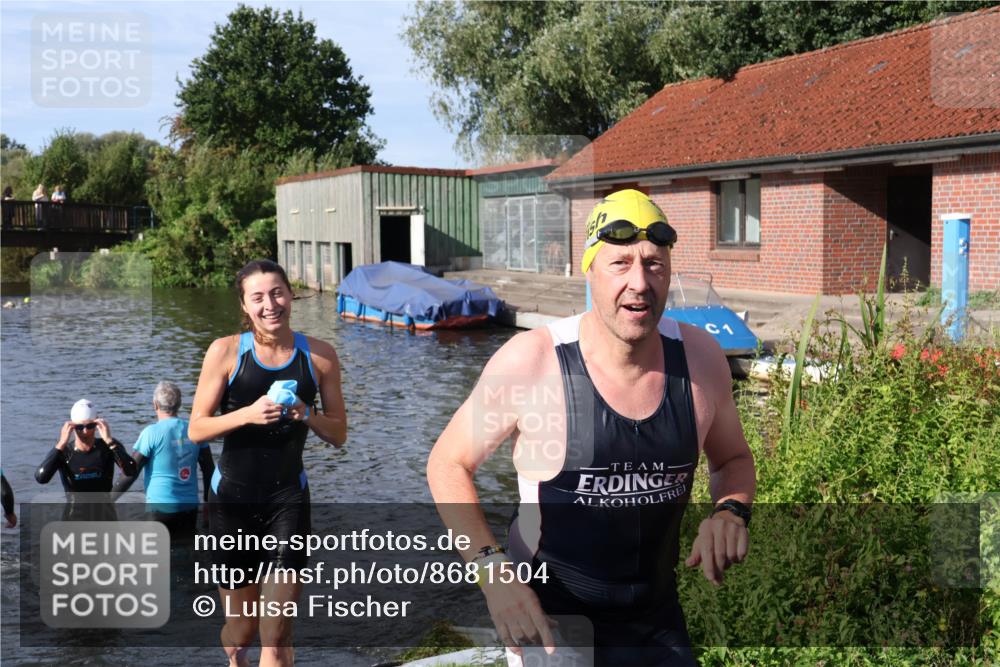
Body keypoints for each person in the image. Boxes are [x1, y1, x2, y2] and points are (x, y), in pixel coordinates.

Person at [427, 189, 757, 666]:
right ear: (590, 270)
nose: (640, 282)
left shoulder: (701, 360)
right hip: (554, 620)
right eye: (620, 264)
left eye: (654, 264)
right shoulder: (532, 363)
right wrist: (493, 573)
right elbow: (448, 463)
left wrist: (730, 512)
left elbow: (732, 460)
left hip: (656, 618)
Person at [189, 259, 347, 667]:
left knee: (275, 635)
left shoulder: (321, 356)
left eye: (277, 292)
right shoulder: (225, 352)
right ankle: (236, 656)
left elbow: (339, 434)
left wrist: (305, 415)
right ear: (244, 305)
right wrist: (246, 414)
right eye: (257, 297)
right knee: (242, 632)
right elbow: (196, 429)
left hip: (287, 500)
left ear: (290, 294)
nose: (269, 304)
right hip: (232, 502)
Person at [113, 381, 215, 537]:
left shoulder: (151, 433)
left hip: (160, 510)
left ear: (155, 405)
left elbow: (131, 472)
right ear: (179, 404)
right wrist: (209, 504)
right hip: (189, 508)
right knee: (186, 555)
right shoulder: (195, 430)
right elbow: (209, 470)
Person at [36, 398, 138, 520]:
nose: (85, 431)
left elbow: (131, 471)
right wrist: (61, 444)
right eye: (79, 427)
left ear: (97, 424)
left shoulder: (108, 447)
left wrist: (109, 441)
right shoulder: (64, 452)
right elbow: (41, 478)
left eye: (90, 426)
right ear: (72, 427)